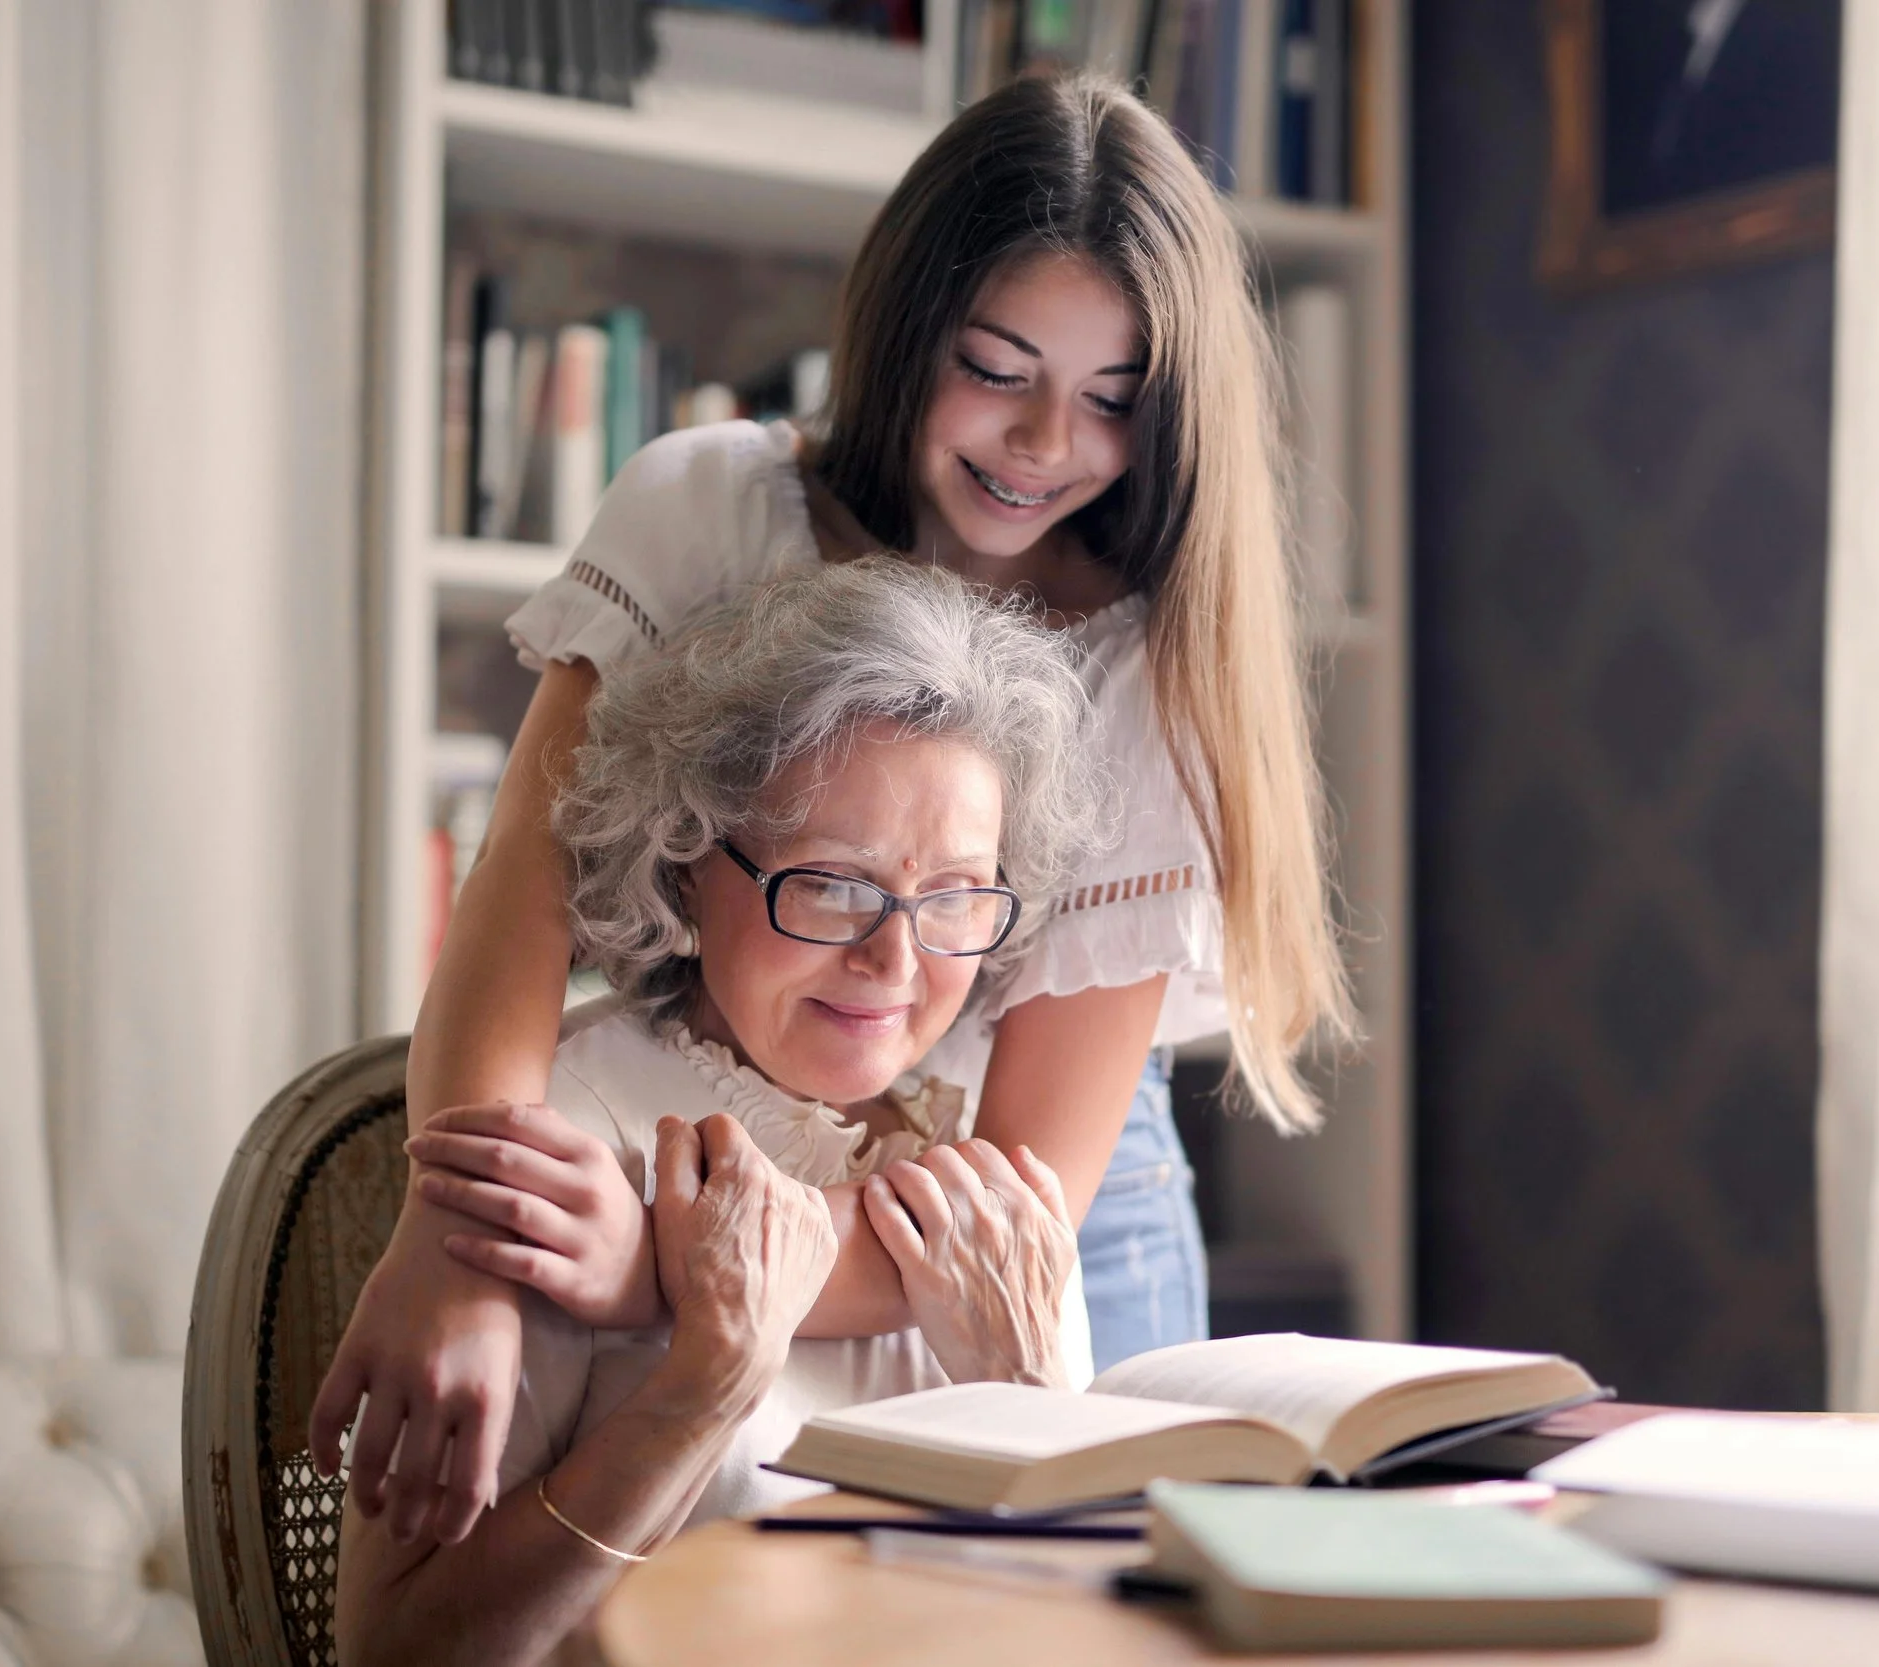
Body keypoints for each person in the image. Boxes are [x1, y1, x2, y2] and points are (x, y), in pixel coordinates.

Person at [314, 71, 1358, 1548]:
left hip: (1028, 1211)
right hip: (711, 1134)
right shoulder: (710, 510)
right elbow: (517, 911)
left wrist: (648, 1271)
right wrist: (458, 1241)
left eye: (1114, 400)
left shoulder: (1146, 660)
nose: (1046, 442)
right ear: (905, 328)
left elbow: (1029, 1185)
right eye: (997, 367)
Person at [334, 560, 1102, 1665]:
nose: (896, 958)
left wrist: (1027, 1396)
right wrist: (698, 1393)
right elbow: (394, 1648)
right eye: (834, 882)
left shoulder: (990, 1189)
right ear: (690, 863)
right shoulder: (559, 1140)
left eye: (952, 898)